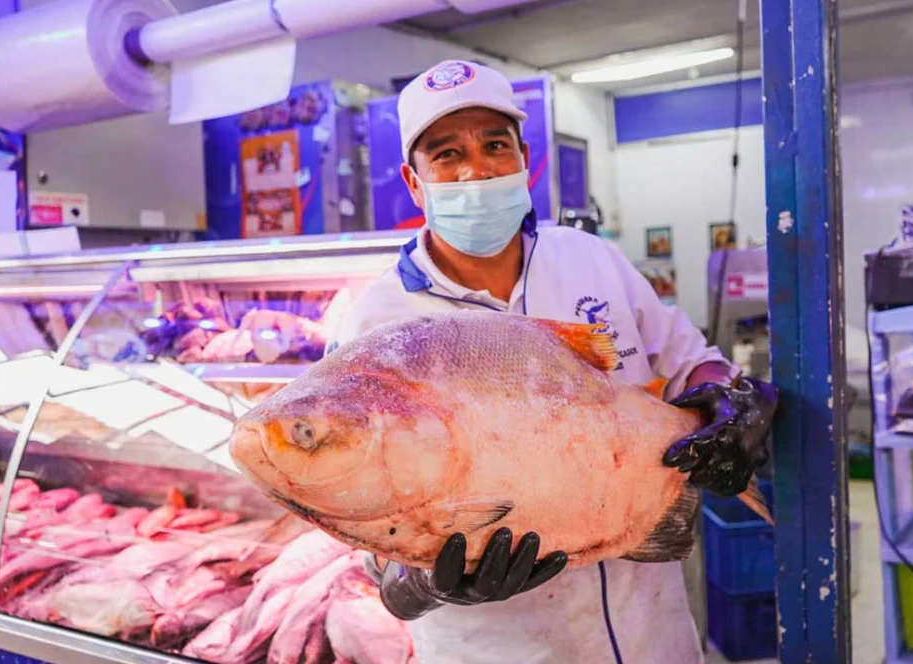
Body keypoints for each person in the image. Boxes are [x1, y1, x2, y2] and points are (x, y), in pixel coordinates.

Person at [327, 59, 775, 664]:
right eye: (447, 155)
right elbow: (375, 552)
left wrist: (723, 401)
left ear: (522, 158)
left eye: (494, 144)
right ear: (414, 181)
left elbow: (692, 361)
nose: (477, 170)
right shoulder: (377, 323)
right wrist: (426, 581)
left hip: (652, 634)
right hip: (502, 649)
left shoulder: (591, 260)